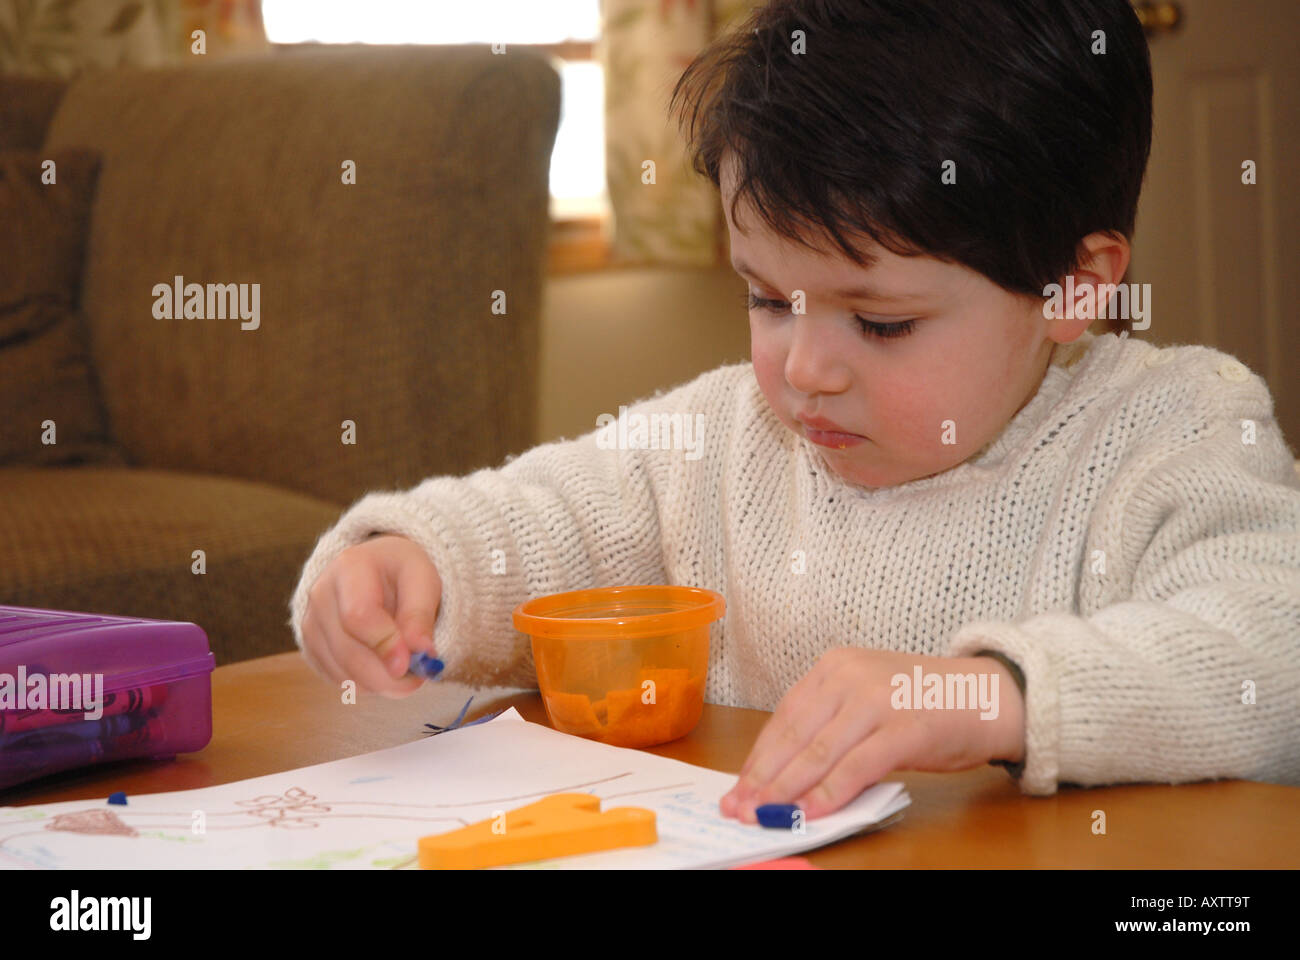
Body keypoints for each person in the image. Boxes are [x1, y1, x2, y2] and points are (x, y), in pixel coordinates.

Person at [289, 0, 1300, 822]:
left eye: (883, 322)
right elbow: (546, 515)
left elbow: (1268, 647)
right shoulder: (722, 438)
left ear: (1075, 287)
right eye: (767, 299)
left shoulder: (1178, 428)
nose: (803, 367)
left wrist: (986, 695)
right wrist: (411, 564)